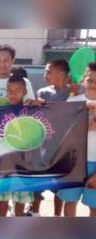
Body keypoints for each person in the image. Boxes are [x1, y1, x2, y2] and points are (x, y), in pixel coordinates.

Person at [30, 59, 71, 217]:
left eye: (49, 71)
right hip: (42, 145)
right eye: (45, 71)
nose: (45, 74)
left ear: (61, 74)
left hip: (63, 147)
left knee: (59, 185)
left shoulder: (73, 92)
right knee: (37, 182)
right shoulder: (42, 92)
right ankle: (34, 213)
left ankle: (56, 216)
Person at [58, 63, 96, 217]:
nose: (93, 85)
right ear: (83, 80)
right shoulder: (73, 102)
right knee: (70, 201)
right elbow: (63, 132)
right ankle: (70, 236)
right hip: (74, 161)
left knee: (94, 207)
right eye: (90, 80)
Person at [0, 74, 35, 216]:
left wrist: (40, 103)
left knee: (21, 198)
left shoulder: (31, 109)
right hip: (5, 162)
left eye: (17, 90)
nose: (13, 94)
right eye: (10, 90)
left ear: (24, 92)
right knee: (3, 198)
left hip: (23, 163)